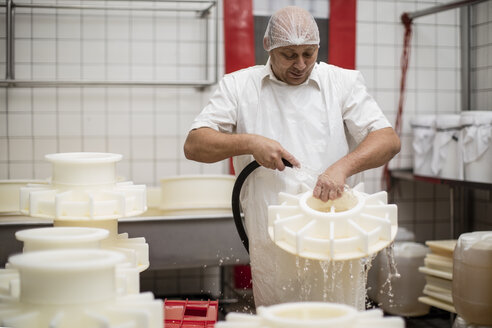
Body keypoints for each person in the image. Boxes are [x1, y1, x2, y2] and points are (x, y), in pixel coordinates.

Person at [183, 6, 400, 308]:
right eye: (289, 55)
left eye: (308, 54)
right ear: (267, 45)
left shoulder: (342, 83)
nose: (300, 64)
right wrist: (250, 142)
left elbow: (388, 140)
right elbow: (194, 145)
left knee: (338, 317)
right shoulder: (239, 86)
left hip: (336, 237)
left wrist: (343, 166)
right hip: (273, 240)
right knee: (280, 317)